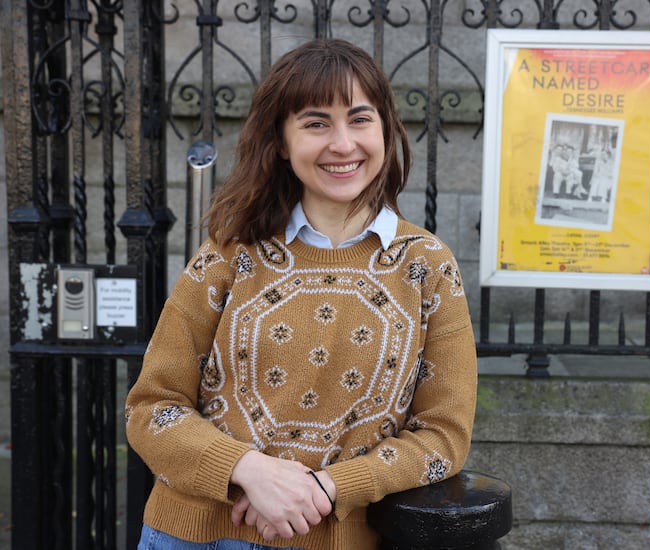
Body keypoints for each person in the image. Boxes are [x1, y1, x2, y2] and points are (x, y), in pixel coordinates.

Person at [125, 38, 478, 550]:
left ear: (385, 130)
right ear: (282, 142)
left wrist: (326, 488)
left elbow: (444, 437)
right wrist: (248, 471)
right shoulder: (228, 254)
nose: (343, 143)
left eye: (360, 119)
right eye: (316, 123)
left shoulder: (428, 267)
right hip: (190, 536)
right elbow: (152, 408)